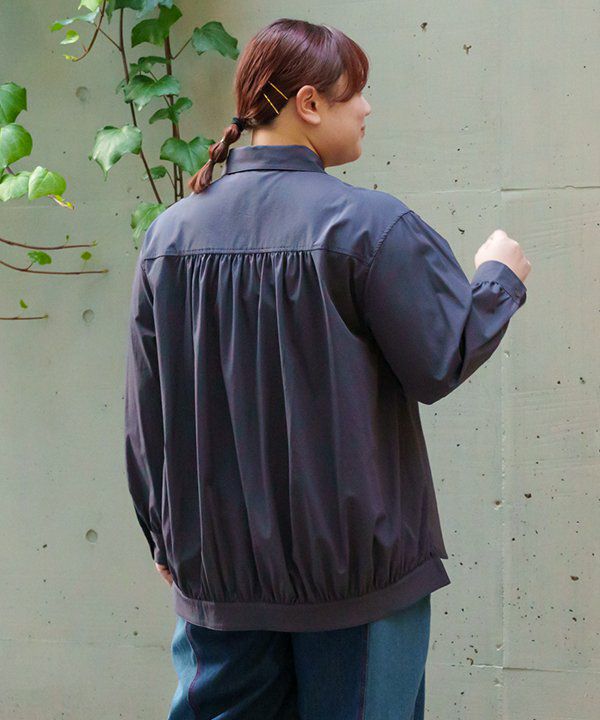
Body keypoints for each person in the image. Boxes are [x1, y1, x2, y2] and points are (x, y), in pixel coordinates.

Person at [123, 17, 531, 720]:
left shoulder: (170, 236)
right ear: (308, 103)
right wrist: (498, 279)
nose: (367, 108)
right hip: (356, 581)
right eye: (356, 93)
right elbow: (440, 359)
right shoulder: (366, 226)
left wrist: (164, 535)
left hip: (220, 577)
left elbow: (145, 409)